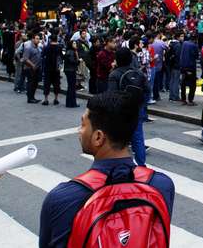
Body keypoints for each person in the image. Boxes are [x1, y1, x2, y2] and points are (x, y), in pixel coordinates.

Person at [39, 91, 175, 248]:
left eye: (83, 124)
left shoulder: (64, 198)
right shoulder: (161, 185)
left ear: (98, 137)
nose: (79, 131)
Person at [109, 47, 150, 166]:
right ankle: (141, 166)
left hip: (121, 112)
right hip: (137, 109)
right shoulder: (138, 73)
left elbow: (112, 95)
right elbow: (148, 90)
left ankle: (125, 166)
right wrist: (141, 104)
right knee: (138, 139)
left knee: (121, 141)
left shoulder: (114, 74)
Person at [41, 33, 63, 106]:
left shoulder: (46, 47)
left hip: (48, 68)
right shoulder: (59, 47)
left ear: (50, 40)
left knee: (47, 84)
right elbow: (61, 57)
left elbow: (42, 55)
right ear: (56, 39)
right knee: (56, 83)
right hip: (56, 68)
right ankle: (56, 99)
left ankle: (46, 99)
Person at [179, 32, 200, 105]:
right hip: (191, 67)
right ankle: (190, 100)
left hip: (183, 66)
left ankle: (183, 99)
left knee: (183, 84)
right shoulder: (194, 45)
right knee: (192, 84)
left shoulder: (184, 43)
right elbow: (197, 56)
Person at [23, 33, 43, 103]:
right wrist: (32, 65)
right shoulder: (28, 47)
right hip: (30, 68)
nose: (38, 40)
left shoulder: (37, 47)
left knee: (35, 83)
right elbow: (25, 58)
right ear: (33, 39)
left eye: (39, 39)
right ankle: (30, 98)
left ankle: (33, 97)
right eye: (37, 39)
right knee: (30, 83)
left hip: (37, 68)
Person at [63, 39, 80, 108]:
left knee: (71, 86)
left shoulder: (71, 51)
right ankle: (71, 103)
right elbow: (73, 61)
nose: (75, 45)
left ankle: (70, 103)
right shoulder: (71, 52)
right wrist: (78, 61)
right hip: (70, 70)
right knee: (71, 87)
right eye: (74, 44)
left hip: (70, 70)